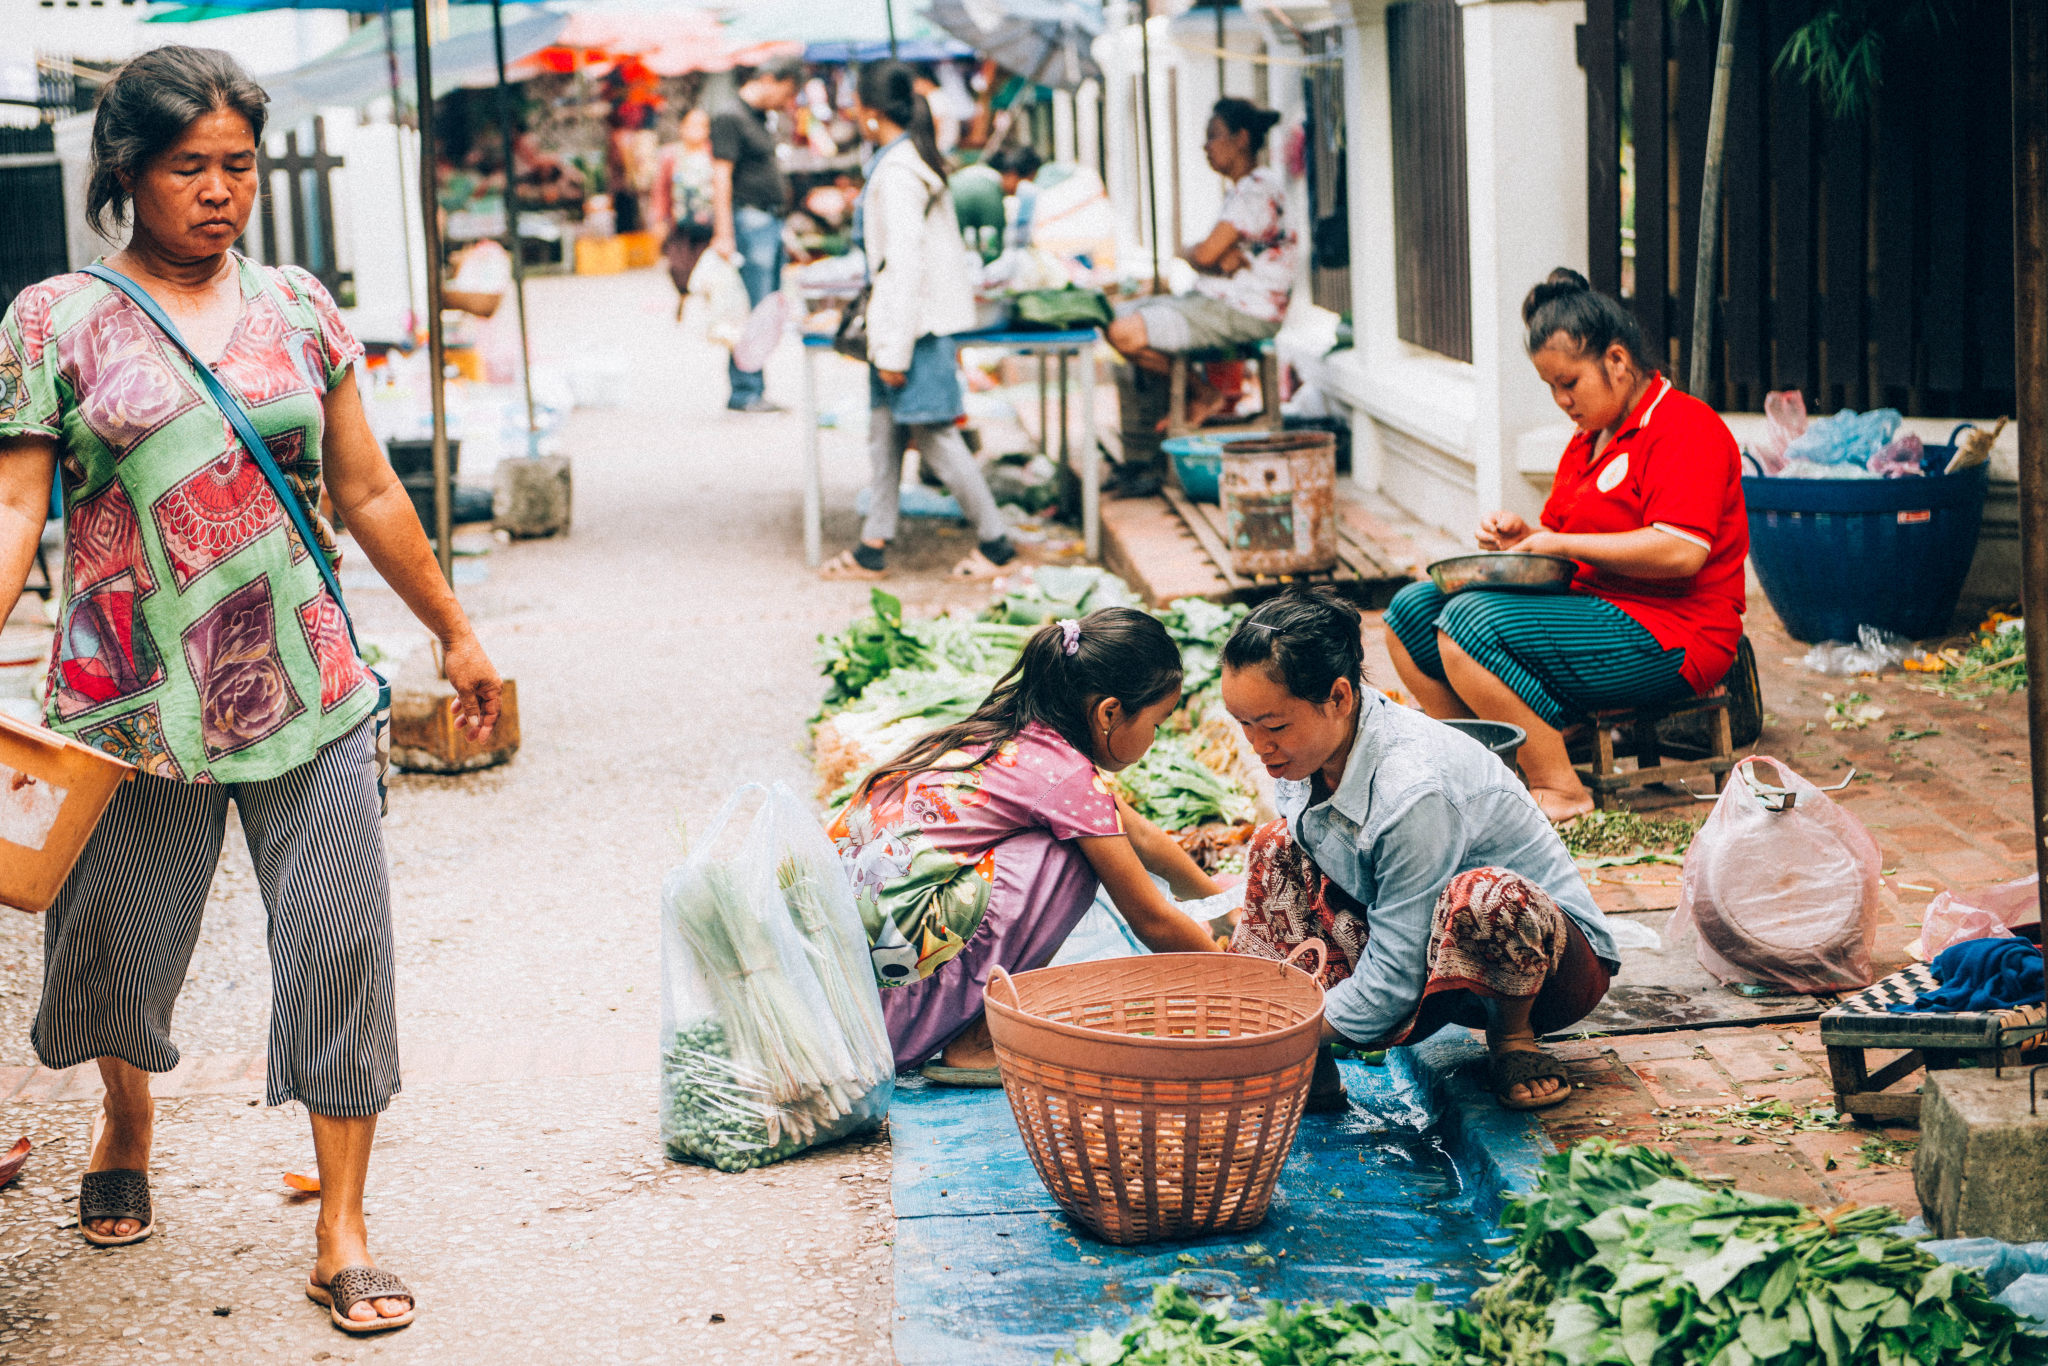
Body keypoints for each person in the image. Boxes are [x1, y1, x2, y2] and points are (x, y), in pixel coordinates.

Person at [0, 46, 504, 1333]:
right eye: (190, 168)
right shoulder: (53, 322)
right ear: (127, 170)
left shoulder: (299, 305)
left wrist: (455, 632)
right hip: (127, 702)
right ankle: (126, 1114)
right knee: (116, 945)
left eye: (239, 165)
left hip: (307, 686)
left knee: (340, 943)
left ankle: (342, 1224)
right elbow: (14, 509)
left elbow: (369, 489)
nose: (220, 192)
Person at [1218, 589, 1618, 1112]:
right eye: (1244, 724)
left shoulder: (1413, 792)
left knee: (1484, 895)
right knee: (1275, 848)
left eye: (1273, 726)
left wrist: (1272, 1033)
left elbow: (1395, 977)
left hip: (1550, 973)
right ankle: (1305, 1064)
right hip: (1431, 950)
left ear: (1339, 698)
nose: (1257, 744)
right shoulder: (1304, 756)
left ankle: (1513, 1040)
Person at [1380, 269, 1748, 822]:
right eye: (1550, 385)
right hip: (1592, 609)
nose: (1560, 399)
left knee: (1468, 624)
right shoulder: (1587, 441)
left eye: (1569, 382)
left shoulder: (1685, 428)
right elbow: (1558, 543)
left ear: (1618, 362)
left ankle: (1560, 786)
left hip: (1676, 630)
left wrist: (1559, 540)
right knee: (1409, 612)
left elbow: (1681, 552)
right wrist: (1521, 538)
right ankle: (1488, 774)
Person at [828, 609, 1223, 1084]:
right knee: (1074, 854)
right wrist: (1237, 977)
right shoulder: (1070, 781)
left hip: (849, 960)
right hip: (899, 973)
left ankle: (971, 1023)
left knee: (1090, 834)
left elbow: (1133, 831)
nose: (1156, 738)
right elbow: (1151, 918)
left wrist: (1213, 897)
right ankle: (975, 1041)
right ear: (1109, 712)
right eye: (1158, 723)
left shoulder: (1012, 733)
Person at [816, 61, 1018, 584]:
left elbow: (905, 266)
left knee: (935, 440)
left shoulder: (901, 170)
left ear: (869, 109)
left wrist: (895, 352)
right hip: (900, 328)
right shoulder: (899, 161)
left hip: (912, 331)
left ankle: (996, 544)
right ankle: (872, 546)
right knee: (882, 436)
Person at [1105, 98, 1297, 436]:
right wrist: (1207, 257)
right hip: (1220, 301)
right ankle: (1197, 396)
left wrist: (1192, 253)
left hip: (1245, 310)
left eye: (1214, 136)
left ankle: (1203, 393)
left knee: (1122, 332)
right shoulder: (1245, 190)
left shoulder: (1256, 190)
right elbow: (1212, 258)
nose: (1205, 146)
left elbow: (1206, 255)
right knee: (1113, 316)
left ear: (1241, 139)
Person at [709, 57, 802, 413]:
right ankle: (745, 390)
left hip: (769, 222)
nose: (787, 101)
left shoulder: (760, 118)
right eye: (787, 91)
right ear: (769, 79)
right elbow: (721, 176)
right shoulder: (729, 117)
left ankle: (753, 388)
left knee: (765, 307)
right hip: (748, 224)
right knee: (751, 307)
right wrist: (724, 232)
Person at [653, 107, 717, 313]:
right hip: (680, 223)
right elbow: (661, 189)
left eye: (701, 125)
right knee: (679, 265)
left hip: (709, 222)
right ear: (682, 128)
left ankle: (707, 304)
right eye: (691, 124)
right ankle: (684, 299)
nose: (696, 130)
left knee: (708, 265)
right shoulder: (670, 154)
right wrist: (659, 218)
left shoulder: (714, 153)